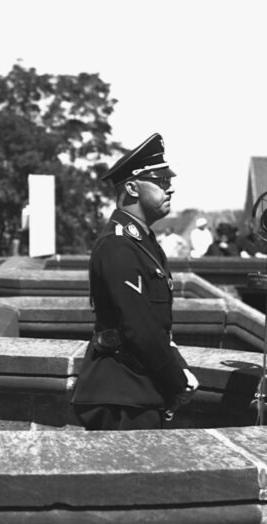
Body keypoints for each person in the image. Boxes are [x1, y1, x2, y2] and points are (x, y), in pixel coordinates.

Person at [72, 133, 199, 430]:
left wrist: (178, 367)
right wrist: (176, 379)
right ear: (131, 188)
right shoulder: (118, 246)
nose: (170, 190)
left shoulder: (144, 243)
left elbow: (158, 327)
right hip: (121, 396)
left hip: (139, 390)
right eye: (161, 183)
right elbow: (139, 328)